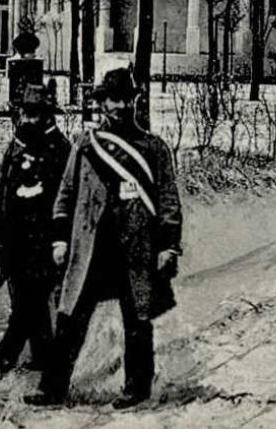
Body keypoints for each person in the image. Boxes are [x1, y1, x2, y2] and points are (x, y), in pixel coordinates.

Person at [26, 69, 181, 409]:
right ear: (101, 103)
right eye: (113, 99)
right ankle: (51, 388)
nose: (120, 106)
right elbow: (65, 193)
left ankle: (137, 387)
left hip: (135, 249)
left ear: (135, 100)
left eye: (126, 98)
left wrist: (168, 245)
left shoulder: (154, 149)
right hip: (91, 248)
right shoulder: (85, 145)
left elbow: (169, 200)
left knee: (137, 320)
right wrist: (59, 239)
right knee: (70, 319)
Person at [0, 81, 71, 374]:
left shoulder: (61, 148)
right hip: (14, 235)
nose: (27, 119)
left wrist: (59, 236)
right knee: (25, 298)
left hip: (43, 237)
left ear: (48, 115)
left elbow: (66, 196)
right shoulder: (16, 144)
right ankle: (42, 354)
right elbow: (1, 187)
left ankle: (6, 355)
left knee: (30, 300)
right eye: (24, 113)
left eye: (34, 114)